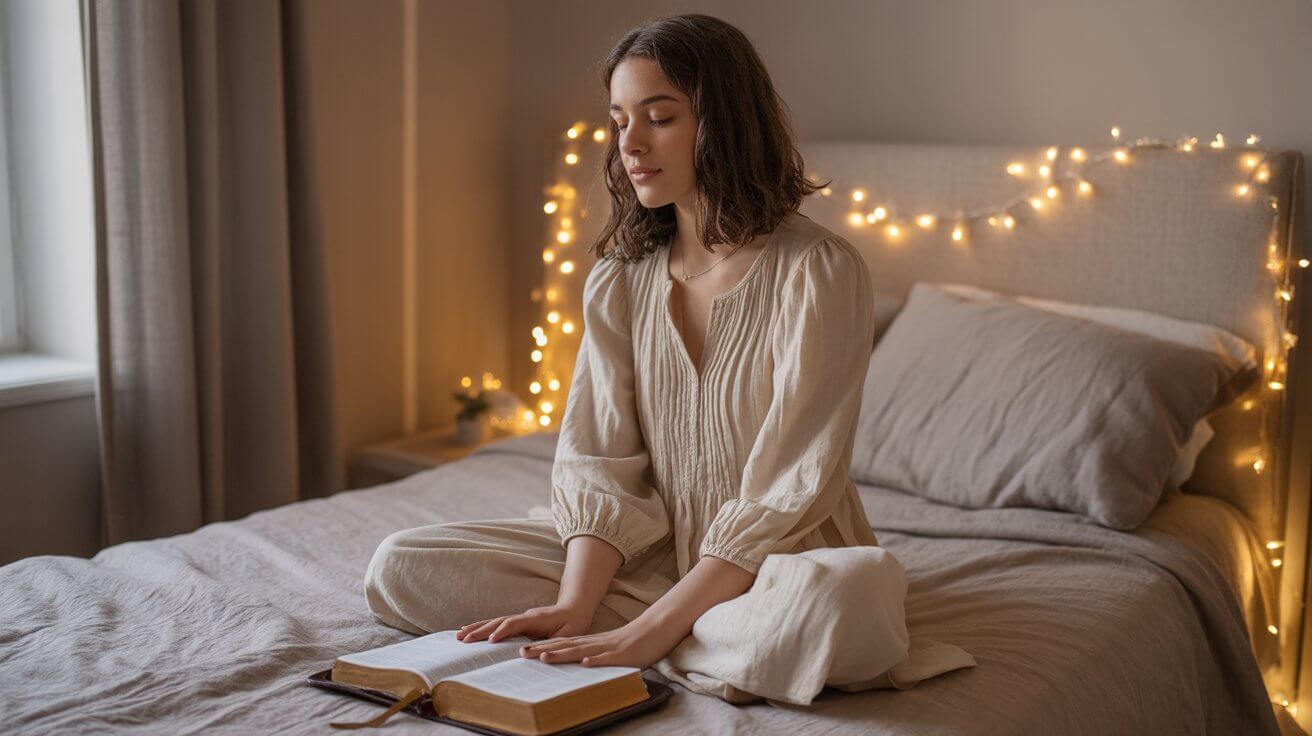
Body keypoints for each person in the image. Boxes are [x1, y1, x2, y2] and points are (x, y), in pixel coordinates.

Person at [364, 13, 974, 706]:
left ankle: (659, 635)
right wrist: (572, 601)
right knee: (402, 564)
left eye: (658, 117)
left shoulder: (819, 272)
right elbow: (600, 461)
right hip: (647, 561)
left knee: (844, 598)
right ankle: (674, 638)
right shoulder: (618, 279)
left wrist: (650, 628)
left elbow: (789, 487)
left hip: (780, 562)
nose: (631, 144)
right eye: (620, 120)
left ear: (722, 122)